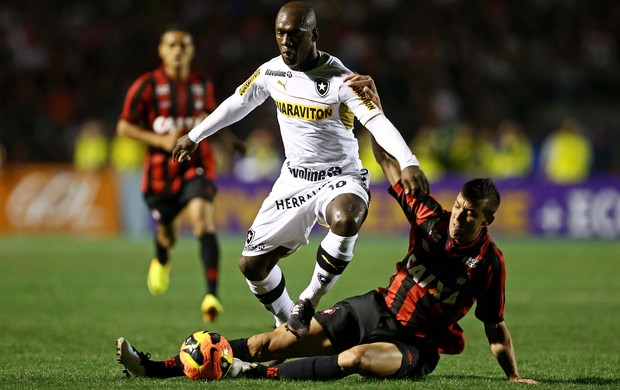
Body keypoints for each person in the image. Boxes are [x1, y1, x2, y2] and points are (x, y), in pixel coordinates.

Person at [116, 116, 538, 383]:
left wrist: (513, 376)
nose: (458, 218)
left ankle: (253, 376)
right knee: (270, 342)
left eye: (469, 216)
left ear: (488, 222)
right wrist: (372, 116)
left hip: (417, 343)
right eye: (459, 208)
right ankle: (159, 367)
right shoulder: (430, 216)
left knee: (354, 359)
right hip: (375, 308)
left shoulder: (488, 263)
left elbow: (494, 326)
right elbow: (389, 166)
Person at [172, 0, 428, 338]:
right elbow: (238, 102)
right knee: (252, 266)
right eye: (280, 34)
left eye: (295, 34)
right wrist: (194, 136)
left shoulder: (342, 80)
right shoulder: (270, 72)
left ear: (314, 35)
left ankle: (308, 301)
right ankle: (286, 326)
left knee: (347, 216)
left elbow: (377, 122)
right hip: (294, 179)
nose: (286, 42)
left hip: (341, 177)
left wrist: (408, 161)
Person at [116, 25, 245, 322]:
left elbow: (216, 118)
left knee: (202, 220)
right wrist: (159, 140)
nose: (178, 50)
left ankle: (212, 294)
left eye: (184, 45)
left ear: (191, 51)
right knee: (168, 235)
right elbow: (124, 126)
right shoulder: (146, 86)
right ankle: (162, 257)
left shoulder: (202, 85)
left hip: (196, 168)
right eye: (172, 45)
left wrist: (231, 141)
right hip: (160, 176)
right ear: (161, 51)